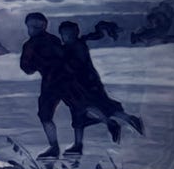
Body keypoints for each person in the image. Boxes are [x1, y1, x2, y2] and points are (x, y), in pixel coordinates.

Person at [58, 20, 144, 155]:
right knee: (80, 113)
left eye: (69, 34)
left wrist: (64, 64)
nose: (67, 37)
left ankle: (121, 121)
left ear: (75, 33)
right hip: (75, 87)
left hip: (88, 84)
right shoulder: (67, 48)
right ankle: (79, 143)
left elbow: (77, 65)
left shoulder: (78, 46)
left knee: (100, 107)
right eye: (64, 34)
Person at [20, 12, 65, 158]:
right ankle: (54, 147)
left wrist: (36, 63)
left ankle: (54, 147)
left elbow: (27, 68)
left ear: (44, 25)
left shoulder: (30, 45)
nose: (32, 29)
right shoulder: (53, 40)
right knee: (46, 115)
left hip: (53, 82)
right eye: (31, 26)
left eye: (36, 26)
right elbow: (27, 68)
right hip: (61, 80)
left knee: (45, 115)